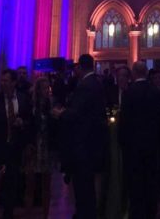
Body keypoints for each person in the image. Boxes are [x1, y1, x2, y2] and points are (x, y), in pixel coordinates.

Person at [58, 53, 108, 219]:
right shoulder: (96, 83)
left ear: (80, 66)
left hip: (84, 144)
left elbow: (78, 114)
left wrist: (61, 114)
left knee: (83, 185)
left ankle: (84, 214)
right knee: (87, 185)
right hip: (93, 143)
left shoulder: (85, 85)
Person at [119, 60, 160, 219]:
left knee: (135, 180)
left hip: (133, 146)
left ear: (133, 73)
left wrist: (122, 143)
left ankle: (136, 211)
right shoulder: (156, 92)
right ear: (146, 73)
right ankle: (151, 210)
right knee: (151, 178)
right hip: (152, 143)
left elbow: (124, 121)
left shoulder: (128, 93)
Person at [0, 68, 32, 218]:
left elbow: (30, 120)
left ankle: (8, 213)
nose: (3, 83)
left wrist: (22, 123)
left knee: (12, 183)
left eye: (6, 80)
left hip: (15, 148)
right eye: (2, 80)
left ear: (14, 82)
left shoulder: (23, 99)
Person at [24, 77, 55, 217]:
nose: (47, 91)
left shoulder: (50, 105)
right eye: (44, 88)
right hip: (33, 147)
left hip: (47, 147)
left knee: (46, 185)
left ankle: (45, 215)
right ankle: (29, 214)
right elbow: (28, 126)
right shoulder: (31, 106)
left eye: (48, 88)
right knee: (30, 184)